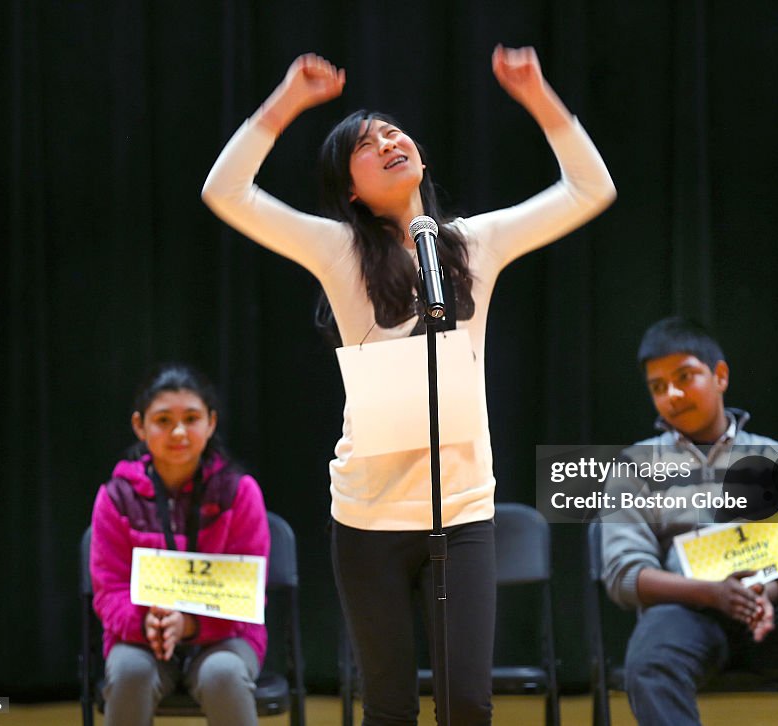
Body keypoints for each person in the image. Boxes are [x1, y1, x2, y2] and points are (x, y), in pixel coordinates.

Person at [203, 47, 616, 725]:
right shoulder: (337, 252)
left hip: (461, 512)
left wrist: (538, 95)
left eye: (393, 131)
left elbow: (589, 189)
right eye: (366, 144)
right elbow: (225, 192)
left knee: (466, 705)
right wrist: (287, 100)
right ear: (352, 191)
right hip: (367, 519)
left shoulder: (474, 245)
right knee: (390, 707)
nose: (388, 141)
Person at [599, 317, 778, 726]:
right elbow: (624, 575)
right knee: (649, 662)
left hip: (773, 613)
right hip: (683, 615)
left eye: (685, 376)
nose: (673, 394)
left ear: (720, 376)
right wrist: (711, 593)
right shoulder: (634, 466)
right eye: (658, 386)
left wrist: (764, 592)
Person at [89, 363, 270, 726]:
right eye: (163, 420)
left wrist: (189, 624)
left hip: (225, 635)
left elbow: (248, 591)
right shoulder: (116, 496)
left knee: (223, 673)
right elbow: (108, 591)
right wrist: (149, 623)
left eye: (191, 417)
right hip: (141, 635)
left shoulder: (239, 491)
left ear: (211, 423)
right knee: (129, 672)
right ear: (140, 425)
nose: (179, 431)